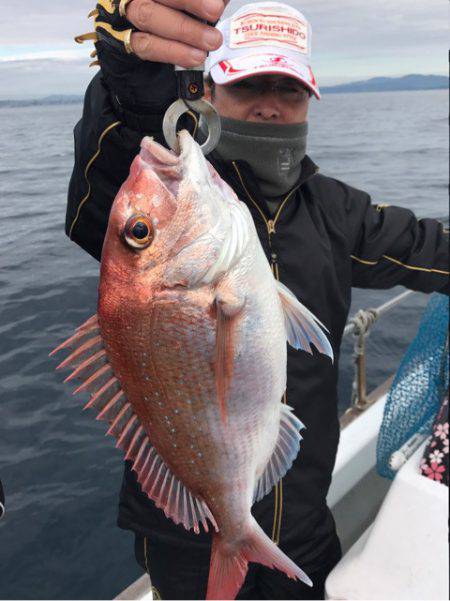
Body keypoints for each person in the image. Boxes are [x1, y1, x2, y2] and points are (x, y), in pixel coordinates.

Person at [67, 1, 449, 598]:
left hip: (304, 523)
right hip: (184, 533)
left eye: (287, 90)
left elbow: (428, 248)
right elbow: (106, 193)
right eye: (248, 85)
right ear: (209, 91)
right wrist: (130, 78)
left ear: (308, 103)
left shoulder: (337, 210)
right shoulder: (171, 183)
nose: (269, 104)